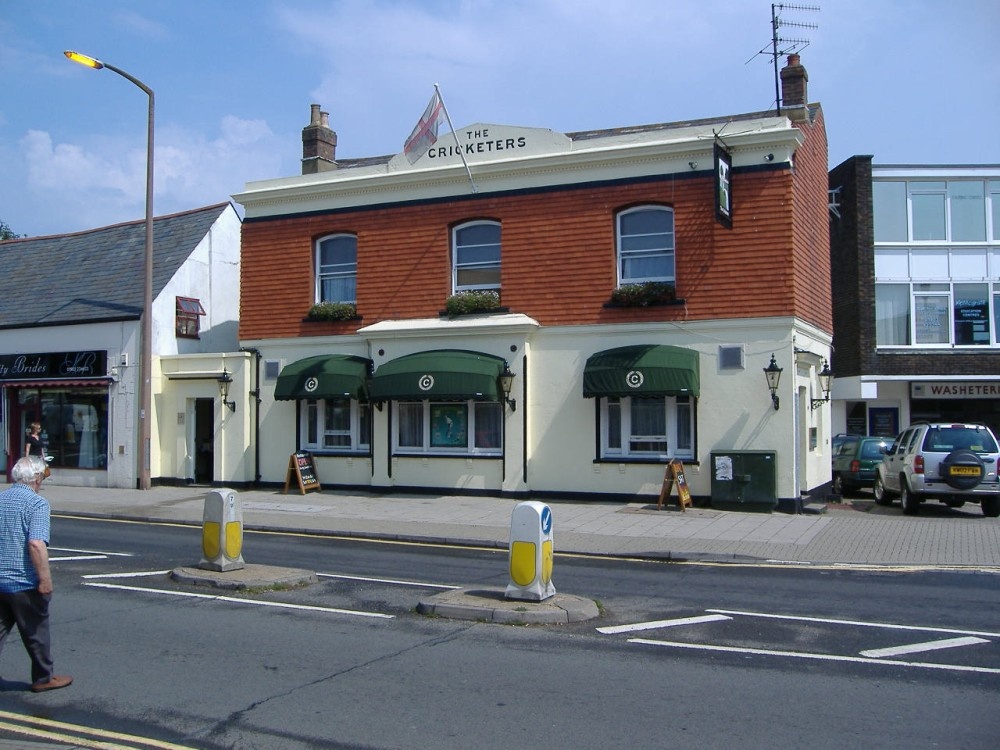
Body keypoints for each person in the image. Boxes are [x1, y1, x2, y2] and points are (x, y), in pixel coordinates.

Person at [0, 456, 72, 692]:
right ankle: (43, 678)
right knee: (36, 632)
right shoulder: (37, 504)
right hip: (23, 582)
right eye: (43, 477)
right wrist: (45, 580)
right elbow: (36, 544)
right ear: (37, 478)